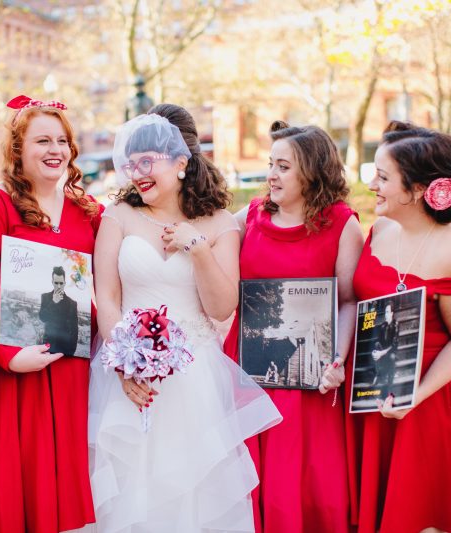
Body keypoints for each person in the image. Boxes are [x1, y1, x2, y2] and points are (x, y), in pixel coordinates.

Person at [88, 104, 282, 533]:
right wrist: (124, 365)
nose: (137, 172)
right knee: (135, 493)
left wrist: (198, 250)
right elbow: (108, 297)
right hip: (129, 378)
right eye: (131, 163)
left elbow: (221, 308)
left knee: (195, 496)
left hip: (196, 377)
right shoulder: (118, 216)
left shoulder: (218, 224)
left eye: (147, 161)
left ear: (180, 162)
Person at [0, 95, 102, 533]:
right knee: (17, 496)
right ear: (17, 149)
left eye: (62, 141)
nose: (55, 150)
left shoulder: (87, 211)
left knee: (65, 495)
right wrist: (7, 353)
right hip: (12, 372)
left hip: (70, 370)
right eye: (42, 141)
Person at [346, 121, 451, 533]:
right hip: (372, 389)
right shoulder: (382, 228)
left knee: (417, 517)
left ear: (416, 190)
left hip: (425, 400)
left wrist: (416, 396)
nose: (371, 184)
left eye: (383, 177)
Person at [223, 122, 363, 532]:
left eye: (283, 167)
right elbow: (210, 240)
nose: (271, 175)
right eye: (271, 164)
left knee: (307, 483)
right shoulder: (249, 216)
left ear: (313, 171)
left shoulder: (342, 223)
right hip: (248, 371)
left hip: (311, 377)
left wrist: (337, 360)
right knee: (252, 479)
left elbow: (349, 300)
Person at [39, 265, 79, 354]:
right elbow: (42, 317)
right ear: (52, 282)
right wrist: (53, 302)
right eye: (56, 283)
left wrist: (71, 351)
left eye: (61, 283)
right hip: (48, 347)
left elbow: (74, 330)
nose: (59, 286)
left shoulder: (72, 303)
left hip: (65, 350)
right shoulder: (45, 297)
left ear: (64, 283)